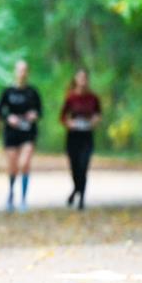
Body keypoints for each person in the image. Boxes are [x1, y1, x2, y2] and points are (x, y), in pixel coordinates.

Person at [0, 61, 42, 211]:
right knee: (13, 166)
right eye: (19, 70)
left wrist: (34, 115)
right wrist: (8, 117)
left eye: (24, 70)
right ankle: (11, 193)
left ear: (27, 72)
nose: (22, 73)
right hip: (11, 134)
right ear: (15, 72)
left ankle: (23, 199)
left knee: (24, 163)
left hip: (28, 133)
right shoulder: (8, 91)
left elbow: (40, 111)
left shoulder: (32, 92)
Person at [59, 68, 102, 210]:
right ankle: (75, 190)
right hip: (73, 136)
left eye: (85, 78)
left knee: (83, 166)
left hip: (87, 136)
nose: (82, 81)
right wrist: (69, 123)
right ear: (76, 80)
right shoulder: (70, 97)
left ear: (87, 80)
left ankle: (81, 198)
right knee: (75, 167)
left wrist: (95, 120)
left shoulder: (93, 98)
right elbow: (62, 117)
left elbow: (98, 114)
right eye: (80, 78)